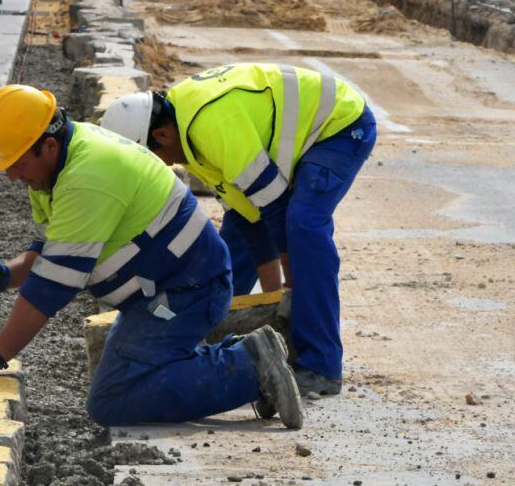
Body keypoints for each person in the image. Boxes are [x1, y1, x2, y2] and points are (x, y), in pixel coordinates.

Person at [0, 84, 303, 429]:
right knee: (124, 384)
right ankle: (242, 362)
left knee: (113, 400)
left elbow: (50, 289)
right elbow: (48, 250)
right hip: (161, 294)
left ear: (48, 145)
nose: (13, 176)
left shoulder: (86, 176)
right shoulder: (54, 168)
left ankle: (249, 368)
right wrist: (6, 274)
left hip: (188, 292)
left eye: (17, 164)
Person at [100, 64, 377, 398]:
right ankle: (205, 344)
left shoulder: (211, 126)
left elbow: (274, 208)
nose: (164, 167)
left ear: (160, 136)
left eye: (155, 160)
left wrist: (289, 292)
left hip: (338, 126)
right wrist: (274, 302)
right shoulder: (182, 134)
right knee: (225, 254)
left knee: (304, 226)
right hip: (292, 145)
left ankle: (321, 365)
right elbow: (249, 219)